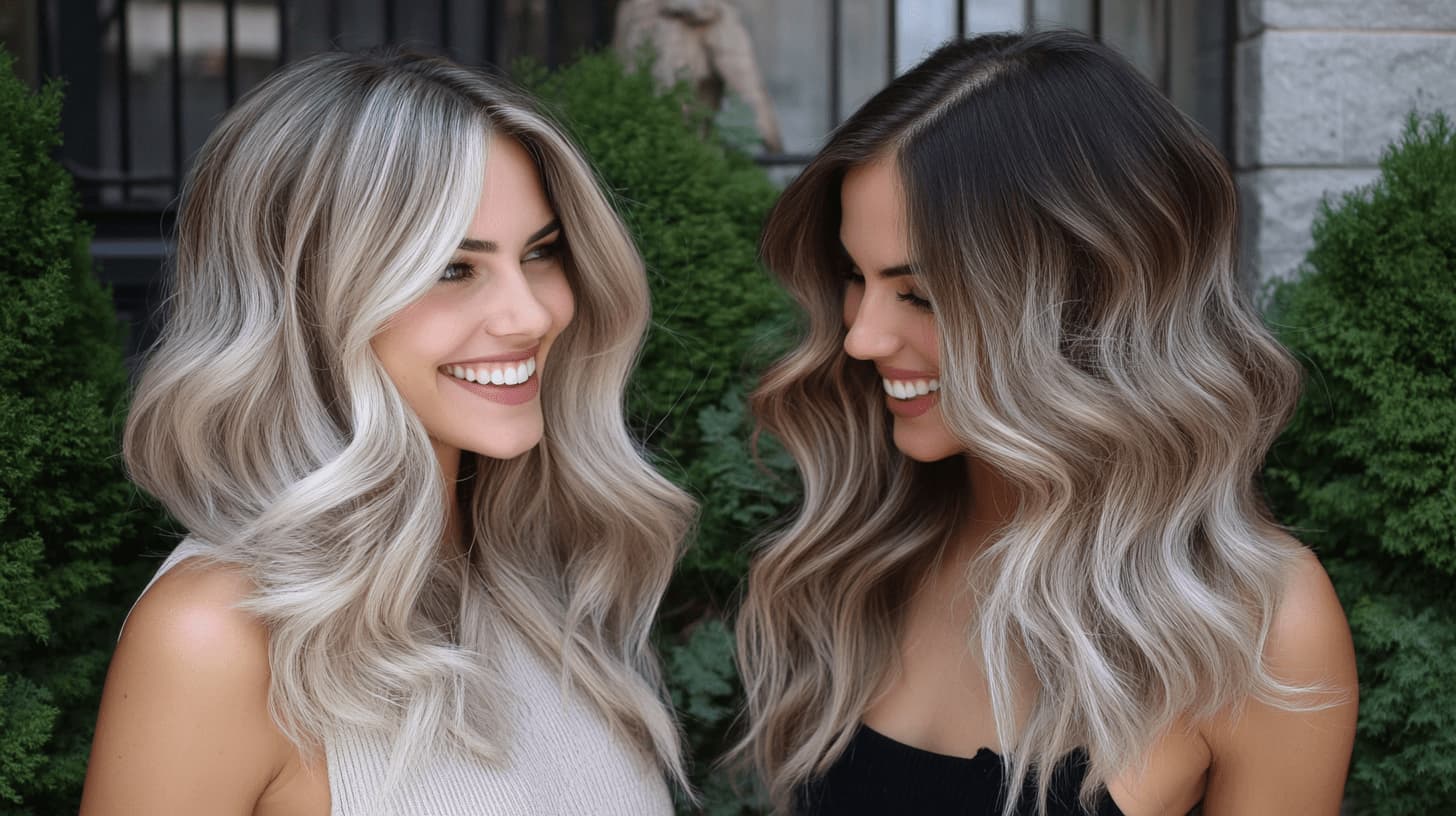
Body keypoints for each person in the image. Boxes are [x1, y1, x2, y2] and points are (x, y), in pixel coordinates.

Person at [734, 30, 1357, 816]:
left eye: (919, 294)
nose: (860, 337)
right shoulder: (868, 551)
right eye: (855, 278)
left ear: (1084, 300)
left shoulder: (1257, 625)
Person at [80, 50, 692, 816]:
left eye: (540, 254)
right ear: (306, 298)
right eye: (451, 269)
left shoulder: (538, 570)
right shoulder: (216, 637)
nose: (531, 315)